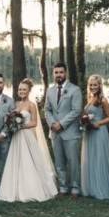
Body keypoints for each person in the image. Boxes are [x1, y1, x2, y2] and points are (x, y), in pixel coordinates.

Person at [0, 79, 58, 202]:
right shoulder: (16, 104)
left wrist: (21, 126)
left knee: (29, 160)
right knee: (17, 160)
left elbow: (34, 122)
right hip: (16, 137)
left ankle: (32, 189)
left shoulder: (31, 105)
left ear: (29, 91)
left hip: (26, 135)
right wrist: (11, 123)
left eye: (24, 89)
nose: (22, 91)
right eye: (20, 89)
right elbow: (11, 118)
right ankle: (16, 189)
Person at [44, 62, 83, 199]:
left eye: (61, 72)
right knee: (59, 162)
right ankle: (63, 187)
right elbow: (47, 110)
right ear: (53, 74)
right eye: (56, 72)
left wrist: (61, 124)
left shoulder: (75, 90)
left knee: (73, 161)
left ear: (65, 73)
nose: (58, 75)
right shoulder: (50, 90)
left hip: (70, 132)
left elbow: (76, 110)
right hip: (55, 132)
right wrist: (52, 123)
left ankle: (75, 188)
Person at [80, 75, 109, 199]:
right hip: (89, 132)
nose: (93, 87)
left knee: (99, 158)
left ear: (100, 86)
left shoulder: (102, 100)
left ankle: (101, 187)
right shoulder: (90, 98)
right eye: (91, 85)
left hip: (99, 132)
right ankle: (91, 187)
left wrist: (98, 123)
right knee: (91, 158)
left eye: (95, 85)